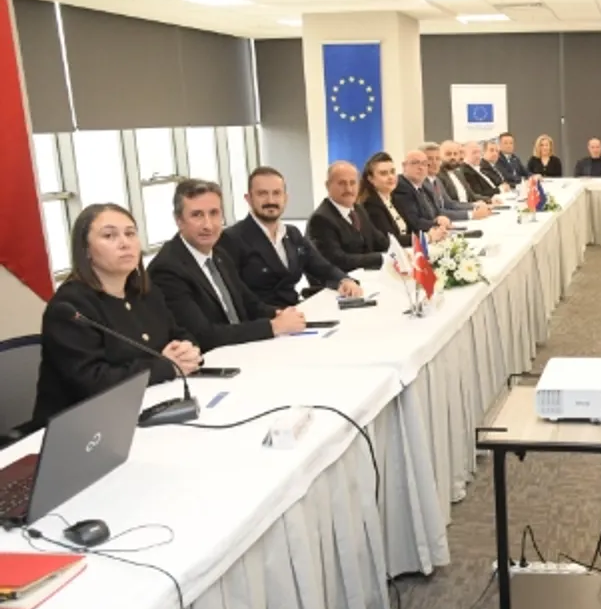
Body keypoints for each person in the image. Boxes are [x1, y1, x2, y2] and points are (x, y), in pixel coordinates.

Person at [33, 203, 201, 427]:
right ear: (85, 250)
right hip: (82, 427)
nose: (125, 243)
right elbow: (93, 382)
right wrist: (166, 366)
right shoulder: (70, 307)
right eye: (109, 236)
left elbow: (179, 333)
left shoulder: (145, 292)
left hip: (148, 404)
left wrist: (187, 349)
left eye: (130, 233)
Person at [149, 179, 307, 349]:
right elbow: (203, 335)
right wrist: (273, 326)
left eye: (214, 213)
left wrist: (279, 314)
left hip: (241, 349)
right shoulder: (168, 269)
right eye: (197, 215)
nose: (208, 225)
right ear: (178, 220)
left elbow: (249, 304)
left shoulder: (219, 253)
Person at [221, 166, 363, 307]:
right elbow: (237, 296)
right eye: (262, 194)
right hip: (264, 318)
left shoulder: (292, 234)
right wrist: (275, 315)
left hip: (296, 311)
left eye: (277, 193)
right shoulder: (232, 238)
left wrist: (344, 280)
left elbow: (322, 267)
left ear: (285, 198)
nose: (271, 200)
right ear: (249, 199)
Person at [306, 161, 391, 272]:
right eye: (342, 183)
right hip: (341, 280)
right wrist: (381, 258)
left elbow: (379, 240)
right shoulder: (320, 219)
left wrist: (401, 252)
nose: (349, 189)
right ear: (327, 186)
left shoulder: (358, 210)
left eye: (353, 183)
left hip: (368, 275)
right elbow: (339, 260)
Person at [359, 151, 426, 248]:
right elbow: (389, 240)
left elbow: (411, 228)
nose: (390, 177)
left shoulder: (396, 199)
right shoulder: (370, 204)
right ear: (371, 179)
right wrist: (425, 238)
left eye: (392, 172)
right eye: (383, 173)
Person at [392, 149, 455, 233]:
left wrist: (441, 219)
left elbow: (437, 213)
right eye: (415, 163)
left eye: (424, 164)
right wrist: (436, 223)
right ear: (404, 166)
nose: (420, 167)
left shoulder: (424, 188)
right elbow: (414, 223)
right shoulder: (401, 187)